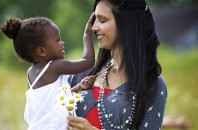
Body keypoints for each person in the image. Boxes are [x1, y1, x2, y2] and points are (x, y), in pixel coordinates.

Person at [67, 0, 167, 130]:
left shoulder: (152, 83)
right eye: (94, 20)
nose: (93, 28)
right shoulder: (84, 71)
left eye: (102, 20)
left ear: (127, 24)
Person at [0, 15, 95, 130]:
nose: (62, 43)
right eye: (58, 40)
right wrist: (87, 35)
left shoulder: (30, 73)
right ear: (41, 51)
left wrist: (80, 86)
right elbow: (88, 62)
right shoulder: (55, 66)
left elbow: (57, 102)